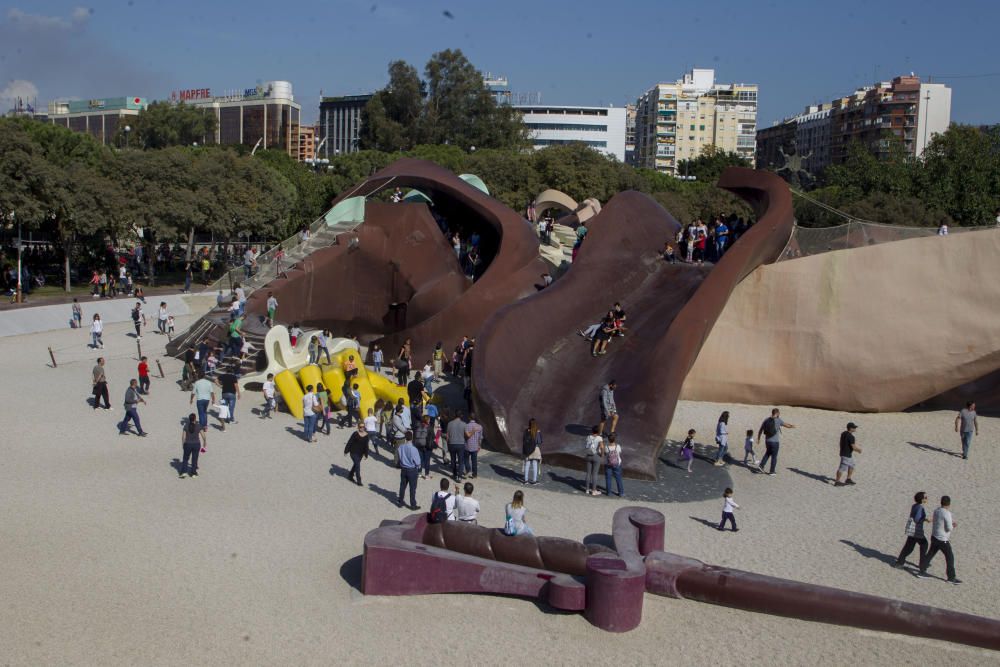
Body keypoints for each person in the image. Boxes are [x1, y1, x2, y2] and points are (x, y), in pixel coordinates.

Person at [917, 496, 960, 584]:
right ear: (949, 504)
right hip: (942, 539)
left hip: (934, 537)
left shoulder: (936, 510)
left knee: (930, 554)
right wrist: (953, 526)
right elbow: (949, 528)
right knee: (950, 557)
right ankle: (951, 578)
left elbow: (939, 522)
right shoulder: (947, 513)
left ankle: (921, 571)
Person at [894, 492, 931, 569]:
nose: (927, 499)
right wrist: (925, 519)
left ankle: (900, 562)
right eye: (925, 497)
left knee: (909, 546)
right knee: (924, 544)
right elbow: (917, 519)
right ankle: (922, 564)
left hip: (912, 530)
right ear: (922, 499)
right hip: (916, 531)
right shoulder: (920, 507)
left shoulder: (914, 505)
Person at [756, 408, 795, 475]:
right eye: (779, 413)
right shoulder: (778, 420)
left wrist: (759, 438)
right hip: (775, 442)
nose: (779, 414)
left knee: (767, 453)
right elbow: (786, 425)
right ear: (777, 413)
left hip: (767, 441)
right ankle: (772, 471)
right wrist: (792, 426)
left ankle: (761, 466)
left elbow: (760, 430)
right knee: (774, 456)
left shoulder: (766, 420)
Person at [397, 431, 421, 510]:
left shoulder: (401, 447)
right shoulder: (413, 449)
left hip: (403, 468)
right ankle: (413, 505)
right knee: (412, 488)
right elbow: (417, 462)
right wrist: (418, 467)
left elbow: (400, 457)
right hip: (412, 469)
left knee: (402, 486)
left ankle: (400, 501)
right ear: (412, 438)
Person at [834, 422, 862, 486]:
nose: (855, 428)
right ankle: (837, 481)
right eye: (854, 427)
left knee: (852, 465)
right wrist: (859, 450)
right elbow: (853, 447)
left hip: (846, 453)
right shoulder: (851, 437)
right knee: (842, 468)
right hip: (846, 454)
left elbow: (841, 442)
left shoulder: (843, 433)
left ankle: (848, 479)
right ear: (850, 428)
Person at [179, 414, 206, 478]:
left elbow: (183, 437)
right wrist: (204, 442)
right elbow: (203, 435)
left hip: (188, 444)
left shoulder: (186, 426)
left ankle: (184, 472)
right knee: (194, 458)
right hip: (196, 444)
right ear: (195, 419)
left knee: (185, 458)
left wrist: (183, 444)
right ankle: (193, 473)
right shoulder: (198, 426)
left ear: (189, 419)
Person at [344, 422, 370, 486]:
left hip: (360, 454)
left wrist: (366, 454)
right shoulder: (355, 434)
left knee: (356, 465)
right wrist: (346, 451)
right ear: (358, 427)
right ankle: (359, 481)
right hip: (353, 452)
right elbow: (349, 442)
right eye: (360, 427)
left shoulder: (366, 435)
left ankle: (350, 475)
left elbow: (366, 446)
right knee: (358, 466)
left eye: (363, 427)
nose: (362, 428)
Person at [216, 366, 240, 431]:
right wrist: (239, 393)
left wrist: (220, 386)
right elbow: (236, 385)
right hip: (232, 394)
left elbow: (215, 380)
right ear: (232, 371)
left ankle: (224, 418)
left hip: (224, 393)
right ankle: (230, 419)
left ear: (226, 371)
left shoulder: (223, 376)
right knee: (231, 408)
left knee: (224, 407)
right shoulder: (234, 377)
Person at [446, 412, 468, 481]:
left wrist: (448, 444)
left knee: (453, 460)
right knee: (461, 461)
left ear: (455, 415)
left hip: (452, 444)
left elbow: (447, 436)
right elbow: (466, 435)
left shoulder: (449, 423)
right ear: (461, 416)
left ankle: (454, 474)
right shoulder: (464, 424)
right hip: (461, 444)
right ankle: (460, 476)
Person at [522, 418, 542, 485]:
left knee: (527, 465)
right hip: (535, 450)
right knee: (535, 465)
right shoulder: (537, 431)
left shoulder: (526, 431)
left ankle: (526, 480)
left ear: (529, 424)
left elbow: (524, 441)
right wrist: (539, 433)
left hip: (527, 450)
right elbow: (539, 442)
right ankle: (534, 481)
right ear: (535, 424)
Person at [584, 426, 603, 496]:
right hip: (596, 456)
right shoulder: (599, 438)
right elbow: (602, 447)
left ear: (592, 431)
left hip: (588, 455)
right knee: (594, 474)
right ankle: (594, 491)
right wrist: (602, 454)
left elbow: (586, 445)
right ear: (598, 431)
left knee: (588, 473)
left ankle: (587, 489)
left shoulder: (588, 437)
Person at [464, 414, 483, 479]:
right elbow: (480, 438)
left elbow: (466, 436)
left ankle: (468, 469)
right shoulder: (480, 427)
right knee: (474, 461)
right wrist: (479, 445)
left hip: (467, 446)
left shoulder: (466, 426)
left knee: (466, 459)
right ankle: (474, 474)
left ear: (469, 418)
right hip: (475, 446)